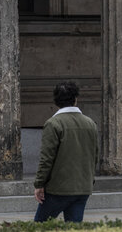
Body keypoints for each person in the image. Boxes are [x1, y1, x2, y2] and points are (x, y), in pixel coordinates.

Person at [33, 81, 99, 223]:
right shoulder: (90, 124)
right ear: (76, 99)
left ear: (56, 101)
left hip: (58, 188)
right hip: (83, 187)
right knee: (74, 227)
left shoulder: (53, 124)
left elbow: (46, 158)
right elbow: (95, 156)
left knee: (40, 225)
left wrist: (39, 184)